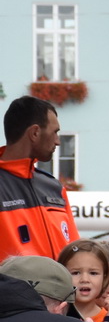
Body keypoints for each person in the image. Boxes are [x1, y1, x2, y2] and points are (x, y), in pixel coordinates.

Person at [0, 96, 80, 262]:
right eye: (55, 132)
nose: (58, 141)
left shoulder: (54, 187)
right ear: (35, 132)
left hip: (61, 281)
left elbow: (75, 252)